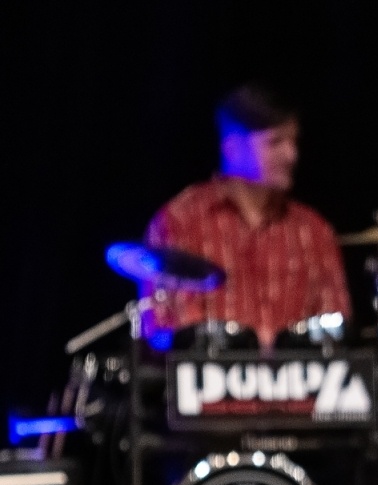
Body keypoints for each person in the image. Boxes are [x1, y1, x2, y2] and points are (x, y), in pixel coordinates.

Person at [142, 83, 352, 350]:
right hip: (211, 386)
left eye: (294, 141)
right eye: (275, 142)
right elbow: (170, 330)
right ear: (232, 147)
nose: (291, 155)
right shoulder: (180, 222)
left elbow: (335, 327)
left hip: (300, 388)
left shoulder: (313, 230)